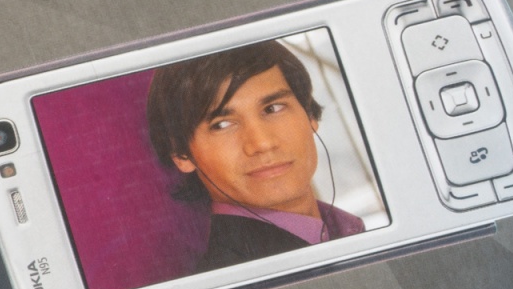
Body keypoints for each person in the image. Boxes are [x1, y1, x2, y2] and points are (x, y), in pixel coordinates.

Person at [146, 39, 365, 273]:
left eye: (273, 108)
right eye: (222, 124)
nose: (262, 143)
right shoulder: (232, 276)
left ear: (309, 114)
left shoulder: (343, 227)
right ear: (182, 155)